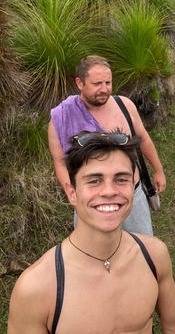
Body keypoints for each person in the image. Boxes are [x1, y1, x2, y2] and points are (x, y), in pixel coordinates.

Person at [8, 131, 175, 334]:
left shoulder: (153, 256)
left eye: (120, 179)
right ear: (72, 192)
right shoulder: (39, 288)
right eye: (94, 180)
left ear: (133, 185)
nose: (109, 191)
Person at [48, 55, 166, 236]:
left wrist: (158, 171)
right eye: (97, 84)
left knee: (142, 248)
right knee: (93, 255)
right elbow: (60, 162)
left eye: (108, 83)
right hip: (90, 199)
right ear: (80, 83)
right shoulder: (62, 117)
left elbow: (143, 138)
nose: (104, 89)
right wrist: (73, 193)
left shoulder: (124, 106)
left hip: (130, 193)